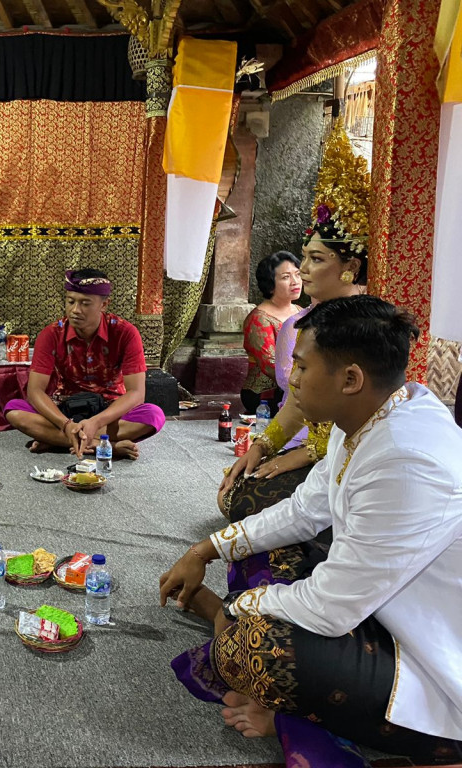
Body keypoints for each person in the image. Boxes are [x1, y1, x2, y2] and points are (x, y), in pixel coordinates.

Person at [160, 296, 462, 766]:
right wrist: (206, 549)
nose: (291, 377)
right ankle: (284, 690)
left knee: (255, 647)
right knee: (255, 536)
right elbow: (304, 510)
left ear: (350, 379)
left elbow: (330, 609)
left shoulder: (406, 459)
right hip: (373, 603)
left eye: (301, 366)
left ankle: (293, 712)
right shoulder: (367, 413)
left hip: (428, 657)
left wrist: (237, 608)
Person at [218, 121, 367, 520]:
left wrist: (306, 454)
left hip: (355, 459)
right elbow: (297, 400)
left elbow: (363, 417)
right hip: (310, 445)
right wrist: (261, 447)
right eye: (303, 258)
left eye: (316, 259)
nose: (302, 270)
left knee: (251, 507)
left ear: (351, 267)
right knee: (236, 493)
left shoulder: (368, 328)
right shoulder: (306, 322)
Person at [3, 268, 165, 460]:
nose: (75, 310)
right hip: (66, 408)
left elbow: (136, 393)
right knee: (14, 410)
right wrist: (66, 425)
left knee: (153, 415)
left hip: (109, 409)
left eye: (85, 303)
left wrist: (96, 422)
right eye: (70, 301)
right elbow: (35, 391)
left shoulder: (126, 333)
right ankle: (105, 446)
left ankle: (58, 440)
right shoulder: (51, 334)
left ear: (104, 304)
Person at [240, 251, 302, 416]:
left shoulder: (300, 311)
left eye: (298, 274)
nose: (295, 281)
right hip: (266, 394)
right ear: (270, 284)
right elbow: (271, 365)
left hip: (299, 382)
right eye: (286, 277)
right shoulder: (259, 319)